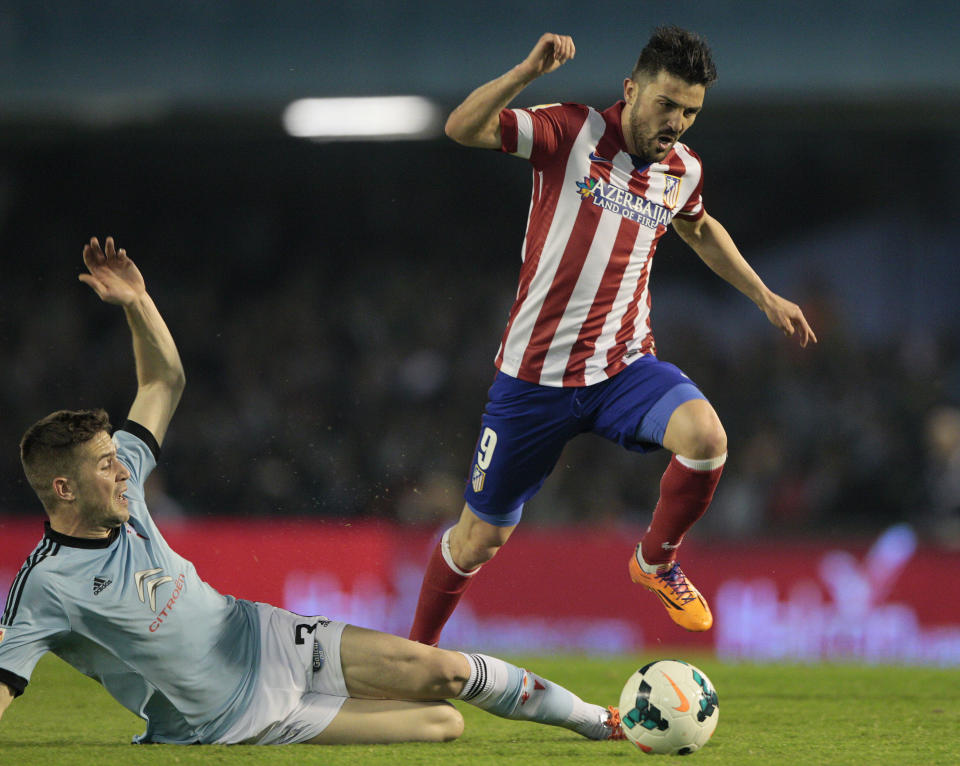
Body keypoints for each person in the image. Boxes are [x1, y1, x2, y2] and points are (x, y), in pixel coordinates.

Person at [0, 237, 622, 745]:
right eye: (104, 465)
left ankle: (600, 722)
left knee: (447, 675)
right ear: (63, 487)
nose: (122, 471)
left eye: (116, 456)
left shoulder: (125, 486)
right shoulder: (44, 586)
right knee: (443, 726)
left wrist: (138, 302)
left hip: (261, 633)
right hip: (232, 721)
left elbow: (164, 380)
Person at [408, 27, 817, 645]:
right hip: (534, 379)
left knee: (706, 438)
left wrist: (763, 294)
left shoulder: (682, 170)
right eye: (666, 103)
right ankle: (416, 655)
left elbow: (700, 229)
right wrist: (525, 73)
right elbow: (463, 128)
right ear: (631, 90)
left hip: (623, 366)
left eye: (690, 111)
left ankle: (655, 562)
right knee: (478, 539)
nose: (677, 121)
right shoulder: (571, 132)